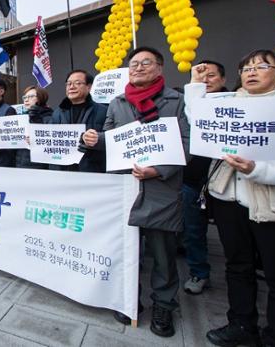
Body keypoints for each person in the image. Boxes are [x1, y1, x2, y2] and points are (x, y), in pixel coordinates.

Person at [82, 46, 190, 337]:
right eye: (134, 64)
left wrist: (158, 170)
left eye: (145, 63)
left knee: (163, 255)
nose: (138, 68)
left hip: (160, 189)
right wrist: (93, 138)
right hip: (124, 187)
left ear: (159, 68)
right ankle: (129, 299)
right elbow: (109, 137)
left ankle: (164, 306)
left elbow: (187, 143)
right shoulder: (118, 103)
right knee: (127, 250)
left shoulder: (176, 101)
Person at [186, 50, 275, 347]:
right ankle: (242, 324)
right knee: (237, 266)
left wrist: (258, 169)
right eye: (246, 67)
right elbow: (199, 119)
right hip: (230, 201)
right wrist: (195, 83)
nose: (252, 72)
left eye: (262, 66)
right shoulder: (228, 104)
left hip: (274, 206)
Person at [180, 60, 228, 295]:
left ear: (224, 80)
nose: (206, 80)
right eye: (201, 76)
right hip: (193, 180)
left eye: (211, 76)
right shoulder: (188, 106)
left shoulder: (237, 104)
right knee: (194, 231)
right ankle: (199, 272)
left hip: (227, 181)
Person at [51, 70, 107, 172]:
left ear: (89, 87)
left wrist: (96, 138)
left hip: (92, 172)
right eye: (69, 84)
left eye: (77, 83)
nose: (71, 87)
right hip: (63, 172)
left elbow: (110, 140)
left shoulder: (103, 111)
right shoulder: (57, 113)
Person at [16, 86, 52, 169]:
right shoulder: (21, 119)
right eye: (25, 97)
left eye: (31, 96)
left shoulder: (49, 118)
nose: (26, 100)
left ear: (41, 98)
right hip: (20, 165)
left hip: (39, 167)